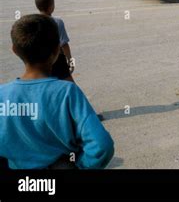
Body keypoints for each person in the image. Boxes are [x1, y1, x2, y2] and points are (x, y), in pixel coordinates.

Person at [0, 14, 114, 169]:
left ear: (14, 51)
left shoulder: (2, 94)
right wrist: (81, 166)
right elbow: (102, 145)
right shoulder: (68, 93)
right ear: (56, 51)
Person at [35, 0, 74, 82]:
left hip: (40, 60)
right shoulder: (57, 22)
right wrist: (70, 60)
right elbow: (64, 44)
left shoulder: (34, 21)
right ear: (51, 6)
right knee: (69, 85)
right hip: (57, 60)